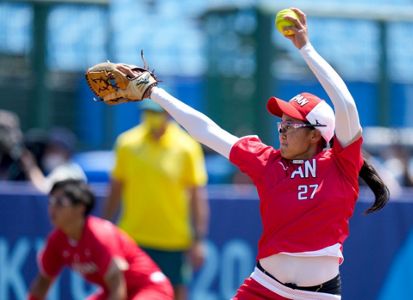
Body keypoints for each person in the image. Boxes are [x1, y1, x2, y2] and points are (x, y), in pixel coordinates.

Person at [112, 7, 390, 299]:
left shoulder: (341, 165)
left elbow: (345, 104)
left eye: (291, 123)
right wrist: (154, 92)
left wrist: (305, 48)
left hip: (318, 295)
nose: (281, 129)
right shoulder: (267, 161)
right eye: (280, 122)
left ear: (314, 134)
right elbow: (207, 131)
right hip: (265, 287)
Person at [103, 101, 208, 300]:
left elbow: (197, 197)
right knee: (128, 292)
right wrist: (106, 229)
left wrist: (198, 240)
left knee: (176, 294)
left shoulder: (187, 147)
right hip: (133, 238)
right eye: (148, 112)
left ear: (169, 114)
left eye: (156, 112)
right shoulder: (127, 143)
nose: (152, 116)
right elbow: (115, 191)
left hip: (174, 241)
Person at [27, 179, 173, 300]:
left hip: (151, 288)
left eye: (60, 202)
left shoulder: (99, 236)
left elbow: (118, 288)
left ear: (80, 208)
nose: (52, 208)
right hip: (118, 292)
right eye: (51, 201)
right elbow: (42, 283)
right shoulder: (57, 240)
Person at [21, 127, 87, 193]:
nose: (49, 153)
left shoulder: (69, 172)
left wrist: (31, 167)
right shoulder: (56, 170)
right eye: (49, 149)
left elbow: (43, 192)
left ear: (67, 153)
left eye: (55, 150)